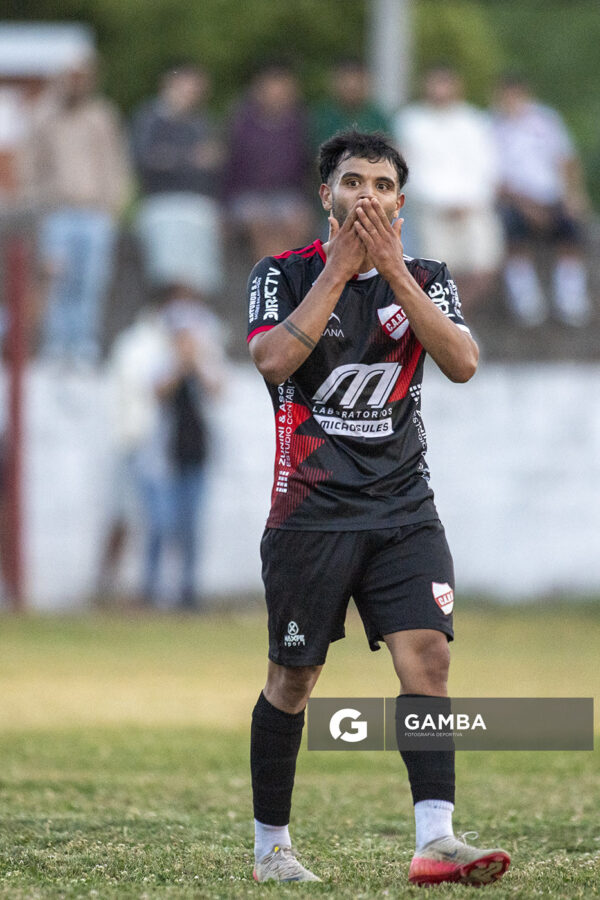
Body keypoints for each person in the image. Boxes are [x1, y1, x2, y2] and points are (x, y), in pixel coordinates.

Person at [246, 131, 510, 886]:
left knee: (428, 661)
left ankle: (436, 840)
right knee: (294, 681)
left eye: (384, 186)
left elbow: (461, 362)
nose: (369, 196)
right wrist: (341, 270)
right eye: (353, 182)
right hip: (311, 511)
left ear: (401, 202)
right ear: (325, 195)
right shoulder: (283, 274)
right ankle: (272, 849)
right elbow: (272, 361)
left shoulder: (425, 275)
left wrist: (391, 271)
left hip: (404, 509)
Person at [107, 284, 225, 610]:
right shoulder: (157, 356)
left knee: (191, 527)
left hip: (196, 455)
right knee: (161, 523)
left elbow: (217, 390)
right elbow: (156, 390)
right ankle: (150, 589)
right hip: (162, 458)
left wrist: (197, 361)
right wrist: (180, 361)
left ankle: (187, 592)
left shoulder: (205, 357)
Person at [23, 54, 131, 365]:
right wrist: (38, 201)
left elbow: (115, 162)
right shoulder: (44, 116)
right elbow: (30, 164)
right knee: (57, 280)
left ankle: (83, 343)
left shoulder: (101, 115)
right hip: (57, 212)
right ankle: (57, 345)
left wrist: (114, 202)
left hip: (95, 213)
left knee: (91, 282)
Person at [394, 64, 503, 313]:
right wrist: (440, 203)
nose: (440, 90)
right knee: (437, 271)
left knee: (485, 266)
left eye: (445, 83)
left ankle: (453, 320)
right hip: (430, 210)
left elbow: (487, 166)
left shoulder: (474, 121)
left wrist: (471, 201)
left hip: (473, 207)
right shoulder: (411, 121)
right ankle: (444, 326)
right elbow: (407, 170)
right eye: (435, 83)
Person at [491, 73, 592, 326]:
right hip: (515, 200)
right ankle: (526, 298)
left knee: (570, 230)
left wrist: (574, 195)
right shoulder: (491, 127)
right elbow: (493, 176)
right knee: (513, 232)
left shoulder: (545, 120)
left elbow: (566, 159)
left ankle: (571, 295)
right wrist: (525, 205)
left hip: (550, 195)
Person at [132, 62, 224, 295]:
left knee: (200, 277)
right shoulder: (149, 119)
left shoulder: (201, 122)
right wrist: (189, 158)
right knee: (170, 276)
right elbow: (147, 160)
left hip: (199, 204)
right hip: (163, 204)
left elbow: (214, 161)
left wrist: (175, 157)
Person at [224, 62, 313, 261]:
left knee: (297, 221)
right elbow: (230, 168)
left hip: (287, 194)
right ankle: (270, 284)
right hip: (247, 195)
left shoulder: (299, 124)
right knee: (260, 222)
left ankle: (286, 283)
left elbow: (306, 169)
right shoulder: (242, 124)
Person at [310, 58, 392, 150]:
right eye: (346, 80)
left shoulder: (378, 118)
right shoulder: (321, 117)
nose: (352, 86)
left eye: (357, 81)